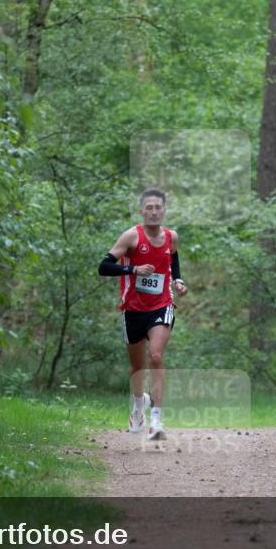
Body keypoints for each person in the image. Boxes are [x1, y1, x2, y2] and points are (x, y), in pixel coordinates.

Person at [98, 189, 187, 441]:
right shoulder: (131, 237)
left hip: (162, 304)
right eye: (149, 207)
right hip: (133, 309)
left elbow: (173, 261)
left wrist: (178, 281)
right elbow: (103, 267)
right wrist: (134, 269)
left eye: (158, 207)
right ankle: (139, 406)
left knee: (156, 356)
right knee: (137, 367)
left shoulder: (172, 237)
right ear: (142, 211)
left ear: (164, 210)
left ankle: (156, 420)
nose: (154, 211)